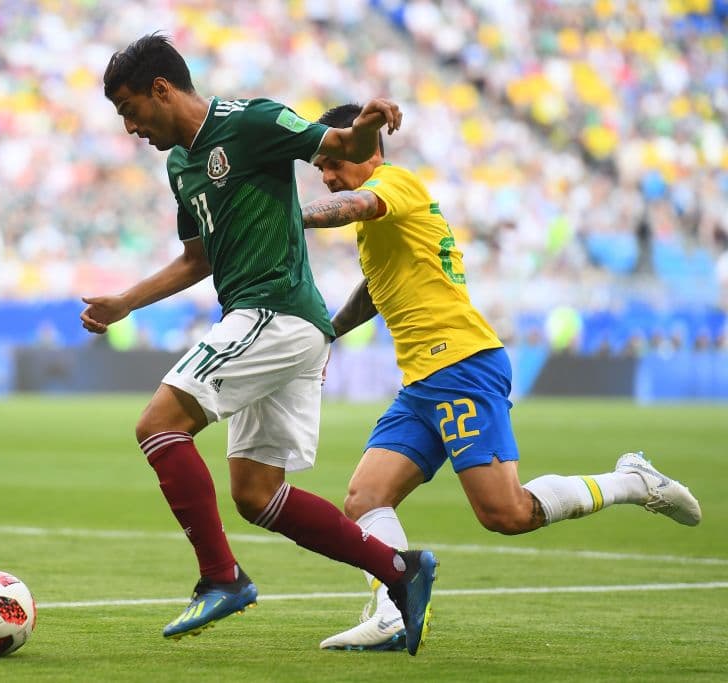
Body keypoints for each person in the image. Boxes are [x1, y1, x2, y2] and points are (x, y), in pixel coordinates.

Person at [80, 34, 437, 654]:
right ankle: (400, 572)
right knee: (255, 494)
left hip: (275, 311)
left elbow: (341, 145)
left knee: (158, 425)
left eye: (130, 109)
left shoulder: (252, 121)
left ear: (162, 89)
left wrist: (369, 123)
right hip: (281, 327)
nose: (131, 126)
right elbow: (198, 259)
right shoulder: (179, 165)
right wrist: (126, 301)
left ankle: (222, 577)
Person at [301, 103, 702, 651]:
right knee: (364, 497)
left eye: (330, 162)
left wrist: (288, 215)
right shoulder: (382, 223)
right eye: (317, 167)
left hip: (461, 365)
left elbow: (353, 204)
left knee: (506, 514)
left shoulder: (395, 185)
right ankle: (394, 611)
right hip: (424, 379)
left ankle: (632, 482)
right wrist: (328, 330)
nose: (324, 175)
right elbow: (377, 288)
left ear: (366, 150)